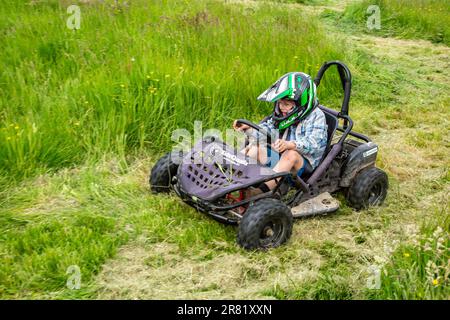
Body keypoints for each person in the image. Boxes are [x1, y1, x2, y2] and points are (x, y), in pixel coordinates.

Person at [233, 72, 328, 194]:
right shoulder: (282, 115)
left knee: (291, 154)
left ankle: (259, 192)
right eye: (279, 103)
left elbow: (314, 144)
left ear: (301, 104)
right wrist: (247, 128)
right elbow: (265, 131)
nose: (282, 107)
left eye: (286, 104)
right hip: (279, 160)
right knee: (255, 147)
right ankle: (234, 179)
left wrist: (290, 145)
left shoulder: (316, 116)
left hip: (301, 167)